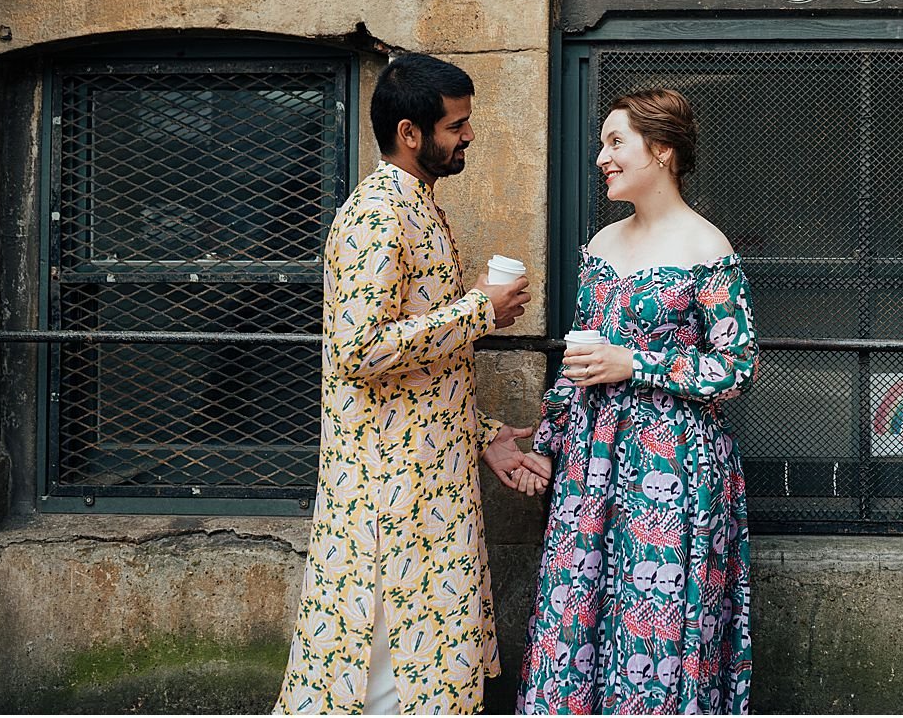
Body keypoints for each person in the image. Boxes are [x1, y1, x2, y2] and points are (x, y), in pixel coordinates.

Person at [275, 53, 549, 716]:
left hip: (426, 489)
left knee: (421, 674)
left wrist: (484, 436)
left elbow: (421, 367)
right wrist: (480, 309)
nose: (470, 136)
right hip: (386, 506)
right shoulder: (376, 217)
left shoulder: (420, 209)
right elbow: (358, 350)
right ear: (410, 132)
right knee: (376, 679)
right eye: (457, 124)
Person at [514, 88, 758, 715]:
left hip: (673, 465)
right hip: (590, 465)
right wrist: (546, 447)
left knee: (660, 623)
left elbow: (736, 369)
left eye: (616, 142)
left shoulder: (708, 248)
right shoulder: (600, 244)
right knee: (575, 615)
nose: (602, 157)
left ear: (664, 152)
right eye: (602, 143)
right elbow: (579, 362)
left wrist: (637, 363)